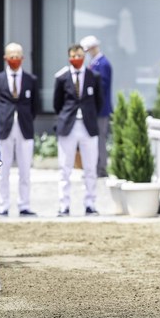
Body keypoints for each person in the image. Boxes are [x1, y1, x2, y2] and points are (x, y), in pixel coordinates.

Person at [53, 44, 102, 216]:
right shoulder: (62, 78)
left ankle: (90, 203)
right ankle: (64, 205)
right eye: (74, 56)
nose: (77, 59)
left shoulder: (93, 76)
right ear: (69, 58)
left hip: (88, 126)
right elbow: (57, 104)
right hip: (68, 125)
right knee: (65, 168)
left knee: (90, 168)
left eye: (80, 55)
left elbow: (99, 102)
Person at [0, 42, 38, 217]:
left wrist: (26, 119)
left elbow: (35, 106)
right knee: (4, 170)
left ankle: (24, 205)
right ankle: (3, 206)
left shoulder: (31, 79)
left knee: (25, 170)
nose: (15, 59)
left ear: (23, 58)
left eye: (18, 56)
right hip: (4, 128)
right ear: (5, 58)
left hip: (25, 127)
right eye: (12, 55)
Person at [80, 35, 110, 178]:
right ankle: (95, 167)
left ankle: (101, 168)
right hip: (95, 108)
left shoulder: (102, 64)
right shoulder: (96, 63)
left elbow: (101, 88)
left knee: (100, 139)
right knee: (94, 139)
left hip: (101, 108)